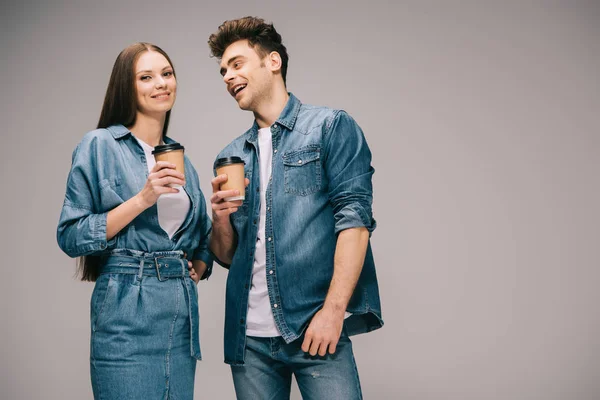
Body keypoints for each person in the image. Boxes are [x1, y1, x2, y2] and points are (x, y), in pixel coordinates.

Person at [207, 17, 383, 399]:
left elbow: (355, 223)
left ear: (273, 61)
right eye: (222, 70)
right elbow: (226, 256)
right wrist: (219, 218)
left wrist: (334, 312)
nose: (227, 76)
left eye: (236, 63)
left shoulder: (330, 127)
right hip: (249, 337)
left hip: (313, 325)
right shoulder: (230, 156)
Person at [56, 42, 212, 399]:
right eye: (146, 77)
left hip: (180, 313)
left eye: (167, 74)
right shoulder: (99, 145)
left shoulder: (182, 160)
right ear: (127, 87)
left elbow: (199, 237)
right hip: (126, 309)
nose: (161, 83)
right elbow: (70, 235)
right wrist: (143, 199)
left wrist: (199, 265)